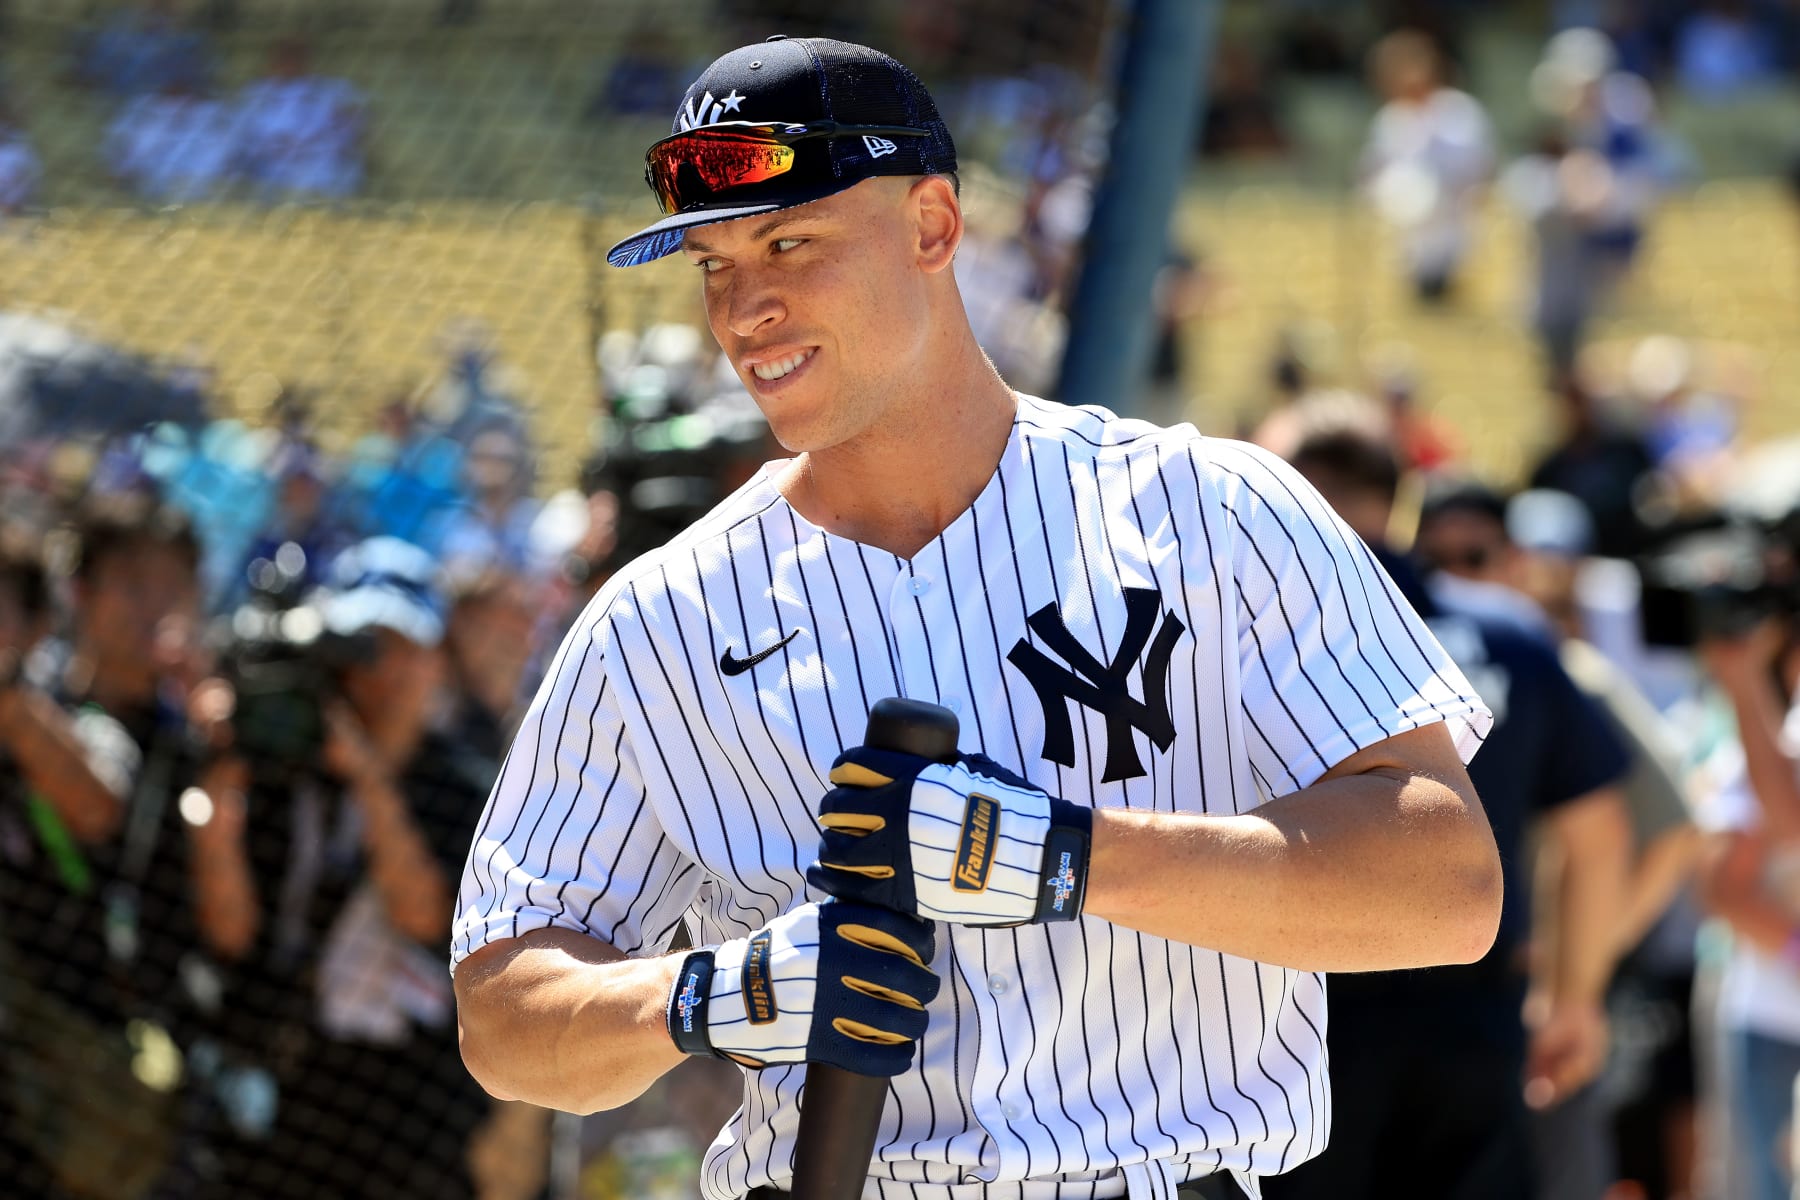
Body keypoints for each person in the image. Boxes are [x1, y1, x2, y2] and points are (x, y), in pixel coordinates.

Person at [453, 36, 1503, 1200]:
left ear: (933, 228)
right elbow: (504, 1012)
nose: (745, 308)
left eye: (790, 241)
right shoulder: (659, 617)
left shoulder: (1211, 509)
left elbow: (1448, 886)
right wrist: (714, 994)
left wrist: (1070, 858)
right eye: (712, 263)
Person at [1260, 423, 1632, 1200]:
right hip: (1474, 1014)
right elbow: (1597, 830)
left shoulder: (1256, 633)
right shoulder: (1509, 633)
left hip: (1303, 1013)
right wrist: (1573, 1000)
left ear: (1283, 493)